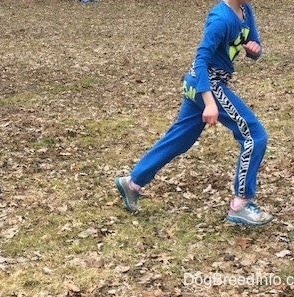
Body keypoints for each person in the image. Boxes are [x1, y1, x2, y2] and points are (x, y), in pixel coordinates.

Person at [115, 0, 273, 226]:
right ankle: (241, 204)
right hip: (207, 83)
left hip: (202, 83)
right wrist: (209, 102)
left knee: (179, 139)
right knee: (255, 136)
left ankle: (132, 183)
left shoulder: (246, 11)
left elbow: (253, 44)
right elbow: (201, 60)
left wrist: (254, 51)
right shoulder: (220, 19)